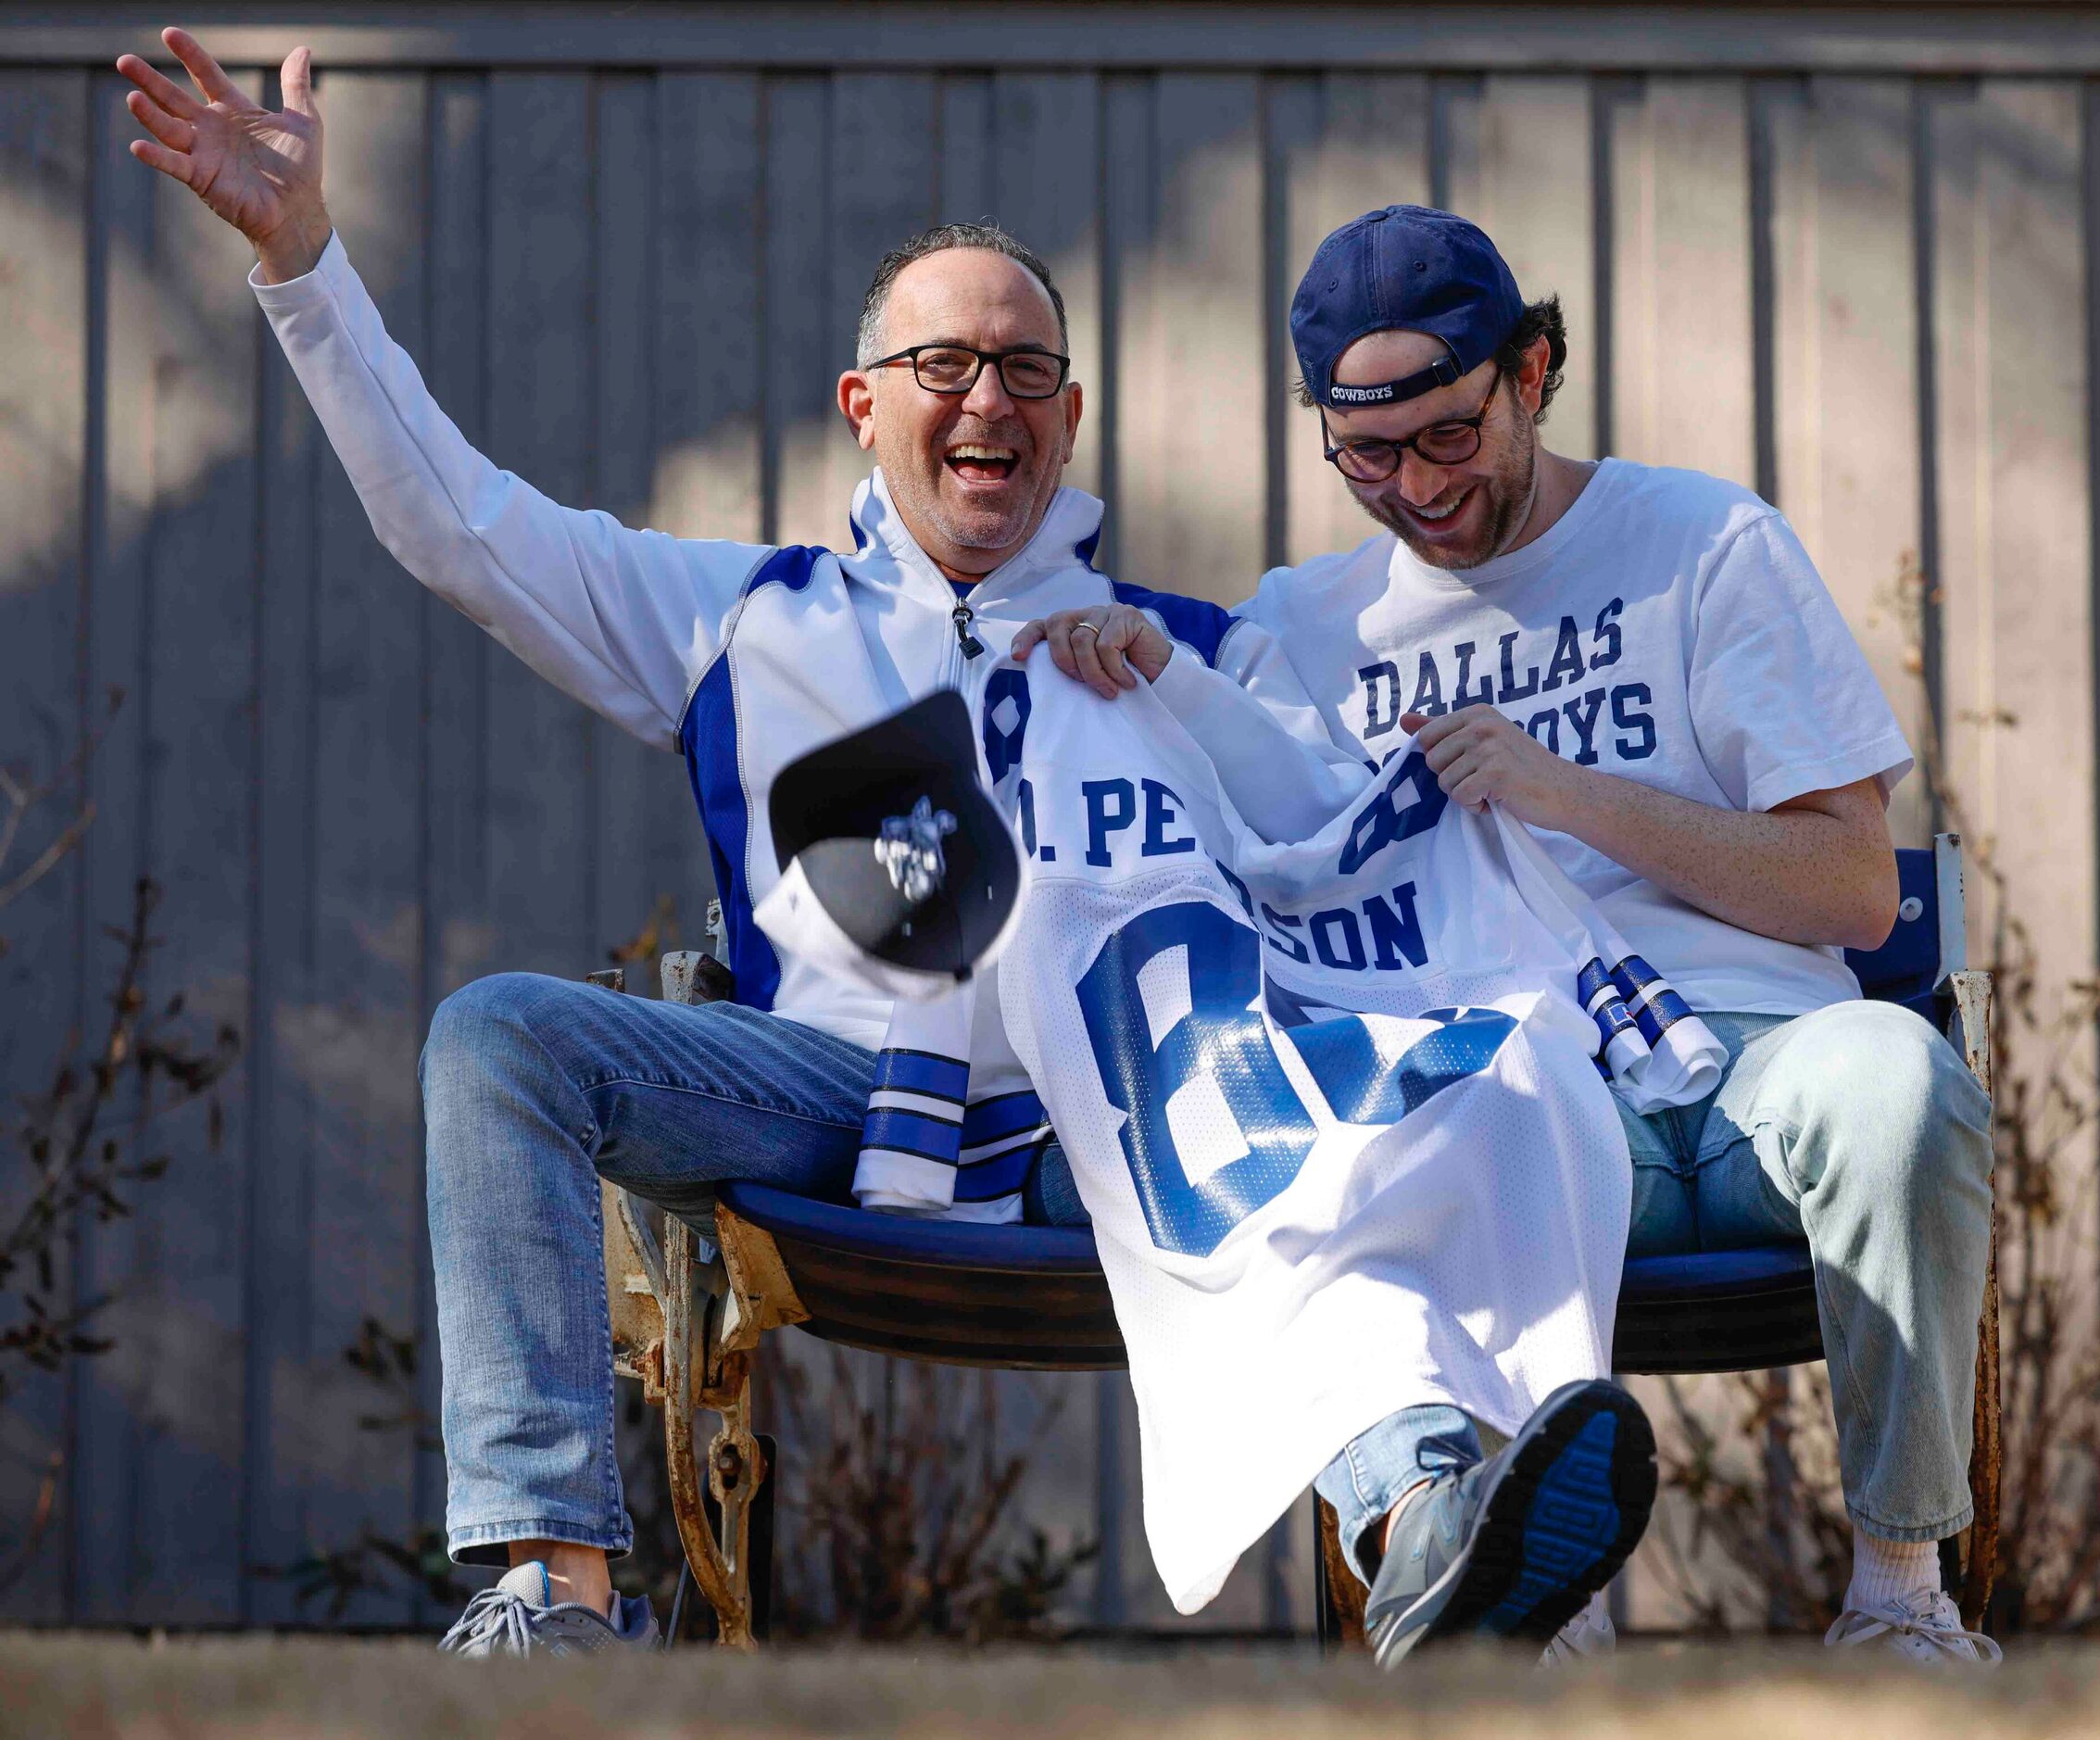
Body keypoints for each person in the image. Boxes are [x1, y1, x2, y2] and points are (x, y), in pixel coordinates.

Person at [113, 28, 1360, 1658]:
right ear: (863, 407)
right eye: (945, 367)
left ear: (1069, 415)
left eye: (1027, 370)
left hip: (1128, 1102)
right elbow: (459, 525)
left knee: (1388, 1097)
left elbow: (1348, 853)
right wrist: (306, 272)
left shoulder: (1189, 639)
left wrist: (1189, 695)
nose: (989, 396)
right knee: (498, 1036)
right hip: (829, 1093)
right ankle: (555, 1598)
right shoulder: (743, 621)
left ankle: (1443, 1560)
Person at [1016, 207, 2000, 1668]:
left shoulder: (1700, 544)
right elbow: (1261, 866)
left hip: (1743, 1071)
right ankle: (1529, 1596)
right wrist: (1144, 678)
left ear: (1531, 368)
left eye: (1447, 434)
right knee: (1379, 1128)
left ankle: (1900, 1596)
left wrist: (1562, 794)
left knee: (1898, 1080)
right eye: (1368, 455)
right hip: (1495, 1077)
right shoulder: (1303, 622)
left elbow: (1854, 890)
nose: (1415, 487)